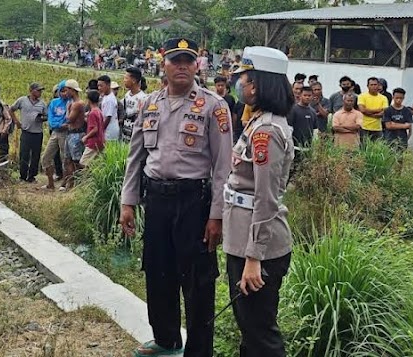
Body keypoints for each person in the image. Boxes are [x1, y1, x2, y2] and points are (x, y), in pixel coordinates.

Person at [119, 37, 232, 357]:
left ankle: (199, 351)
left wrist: (216, 215)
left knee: (198, 281)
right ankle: (166, 338)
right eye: (175, 60)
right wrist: (128, 202)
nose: (182, 66)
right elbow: (135, 157)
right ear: (163, 65)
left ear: (197, 66)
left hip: (193, 202)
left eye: (188, 60)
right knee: (157, 270)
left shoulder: (213, 106)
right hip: (156, 199)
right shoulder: (149, 103)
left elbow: (223, 167)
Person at [224, 46, 295, 357]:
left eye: (247, 79)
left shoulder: (266, 131)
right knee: (250, 330)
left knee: (260, 334)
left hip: (258, 249)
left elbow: (265, 200)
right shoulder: (257, 122)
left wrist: (254, 258)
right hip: (244, 240)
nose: (241, 84)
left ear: (260, 84)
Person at [10, 82, 46, 182]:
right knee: (24, 155)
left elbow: (47, 116)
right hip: (26, 132)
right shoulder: (22, 100)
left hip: (38, 133)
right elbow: (11, 109)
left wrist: (41, 118)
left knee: (35, 155)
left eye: (40, 91)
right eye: (38, 90)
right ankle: (22, 176)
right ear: (31, 91)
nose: (40, 93)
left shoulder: (42, 103)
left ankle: (32, 176)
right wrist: (16, 121)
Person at [41, 80, 70, 189]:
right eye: (61, 91)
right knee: (46, 158)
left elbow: (68, 121)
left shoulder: (70, 103)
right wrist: (59, 124)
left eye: (65, 91)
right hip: (55, 132)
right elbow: (51, 120)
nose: (63, 93)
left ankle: (65, 183)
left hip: (65, 134)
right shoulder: (54, 103)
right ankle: (50, 183)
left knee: (65, 159)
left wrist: (59, 124)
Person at [62, 79, 85, 190]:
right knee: (69, 160)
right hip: (71, 133)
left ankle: (79, 184)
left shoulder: (77, 104)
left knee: (76, 161)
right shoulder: (73, 103)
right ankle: (70, 184)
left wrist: (67, 110)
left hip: (76, 134)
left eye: (67, 90)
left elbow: (69, 119)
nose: (65, 93)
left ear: (72, 90)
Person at [121, 67, 148, 142]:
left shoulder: (143, 98)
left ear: (133, 80)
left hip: (135, 137)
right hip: (125, 133)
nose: (124, 80)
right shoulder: (127, 95)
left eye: (126, 78)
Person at [357, 77, 388, 141]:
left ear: (378, 85)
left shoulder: (384, 98)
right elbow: (362, 110)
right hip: (364, 127)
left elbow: (385, 112)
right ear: (367, 86)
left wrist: (368, 112)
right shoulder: (362, 96)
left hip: (377, 128)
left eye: (375, 84)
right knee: (364, 148)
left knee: (377, 148)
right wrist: (378, 110)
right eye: (371, 85)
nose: (374, 87)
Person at [213, 75, 242, 144]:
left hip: (226, 126)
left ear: (225, 86)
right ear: (215, 86)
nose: (220, 87)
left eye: (222, 85)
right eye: (218, 85)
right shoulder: (212, 98)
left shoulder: (230, 99)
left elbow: (233, 114)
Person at [80, 90, 105, 167]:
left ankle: (86, 178)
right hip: (100, 140)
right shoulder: (98, 111)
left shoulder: (92, 113)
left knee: (83, 163)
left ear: (89, 100)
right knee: (94, 163)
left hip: (93, 142)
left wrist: (86, 137)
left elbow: (95, 129)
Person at [98, 75, 119, 141]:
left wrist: (101, 130)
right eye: (98, 86)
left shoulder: (110, 99)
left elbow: (108, 117)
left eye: (101, 86)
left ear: (108, 85)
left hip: (109, 131)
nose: (99, 88)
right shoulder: (105, 96)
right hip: (107, 129)